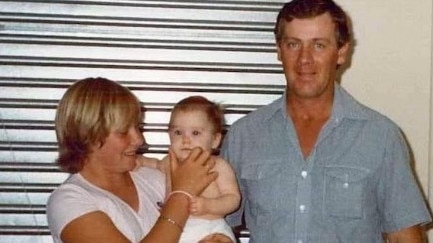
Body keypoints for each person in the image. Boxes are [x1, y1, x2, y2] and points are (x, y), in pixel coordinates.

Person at [220, 0, 432, 242]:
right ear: (279, 50)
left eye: (319, 45)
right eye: (293, 44)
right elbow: (214, 227)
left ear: (341, 52)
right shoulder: (243, 136)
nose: (304, 59)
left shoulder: (381, 137)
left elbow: (404, 237)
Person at [46, 77, 233, 243]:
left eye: (137, 127)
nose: (139, 140)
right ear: (88, 136)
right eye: (123, 132)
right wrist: (181, 194)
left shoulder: (154, 178)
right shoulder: (70, 201)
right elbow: (181, 198)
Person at [137, 95, 240, 243]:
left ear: (215, 140)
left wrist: (208, 205)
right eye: (178, 132)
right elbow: (155, 164)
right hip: (177, 229)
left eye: (195, 133)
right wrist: (140, 161)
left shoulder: (218, 166)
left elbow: (233, 198)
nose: (186, 140)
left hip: (211, 228)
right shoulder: (168, 162)